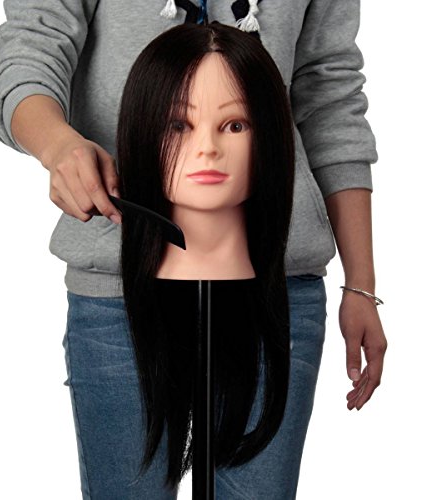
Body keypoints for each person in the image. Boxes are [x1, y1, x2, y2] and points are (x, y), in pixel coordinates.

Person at [0, 1, 387, 499]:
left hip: (274, 281)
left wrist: (361, 283)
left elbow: (329, 91)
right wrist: (57, 146)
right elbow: (31, 47)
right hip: (121, 283)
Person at [117, 21, 295, 491]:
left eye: (234, 125)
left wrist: (361, 283)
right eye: (179, 124)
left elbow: (334, 90)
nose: (208, 149)